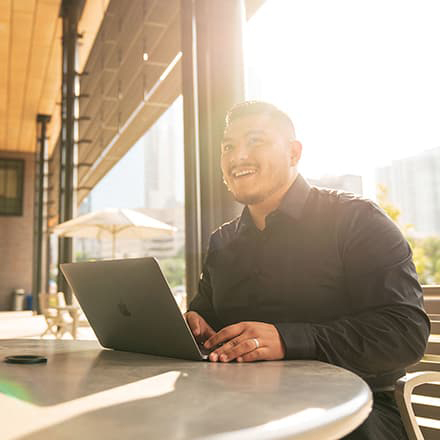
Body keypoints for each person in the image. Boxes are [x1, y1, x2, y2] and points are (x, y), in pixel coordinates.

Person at [185, 101, 430, 439]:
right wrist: (193, 325)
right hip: (243, 405)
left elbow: (404, 332)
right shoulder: (222, 241)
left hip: (357, 409)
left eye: (255, 141)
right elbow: (206, 316)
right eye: (228, 147)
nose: (237, 156)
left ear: (294, 153)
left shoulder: (357, 220)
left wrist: (289, 339)